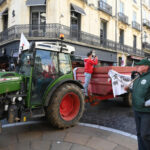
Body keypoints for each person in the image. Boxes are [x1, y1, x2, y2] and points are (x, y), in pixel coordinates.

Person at [124, 59, 150, 150]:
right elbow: (135, 92)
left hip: (146, 112)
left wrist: (146, 103)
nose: (137, 67)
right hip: (136, 110)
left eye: (139, 66)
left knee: (145, 135)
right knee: (139, 133)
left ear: (146, 67)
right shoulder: (137, 77)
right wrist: (128, 90)